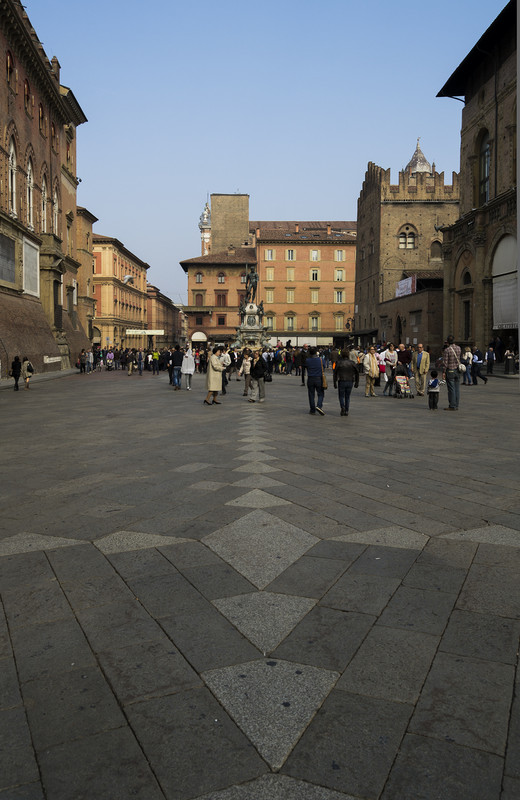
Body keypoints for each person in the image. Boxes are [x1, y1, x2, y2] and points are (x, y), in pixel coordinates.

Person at [333, 351, 359, 416]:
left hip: (341, 380)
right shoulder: (352, 363)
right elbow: (357, 373)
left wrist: (335, 382)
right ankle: (346, 410)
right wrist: (357, 382)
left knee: (341, 396)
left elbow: (335, 373)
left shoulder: (339, 363)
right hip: (350, 381)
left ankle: (342, 407)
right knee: (347, 396)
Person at [442, 335, 462, 410]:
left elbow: (445, 363)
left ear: (447, 341)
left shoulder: (447, 350)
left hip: (450, 370)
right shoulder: (459, 348)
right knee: (457, 388)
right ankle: (456, 405)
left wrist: (444, 372)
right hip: (457, 370)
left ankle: (452, 405)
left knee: (451, 389)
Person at [305, 347, 326, 415]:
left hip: (310, 378)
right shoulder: (321, 359)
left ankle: (312, 409)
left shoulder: (307, 360)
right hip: (318, 378)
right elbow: (324, 367)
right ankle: (319, 406)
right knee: (320, 393)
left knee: (311, 394)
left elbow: (306, 367)